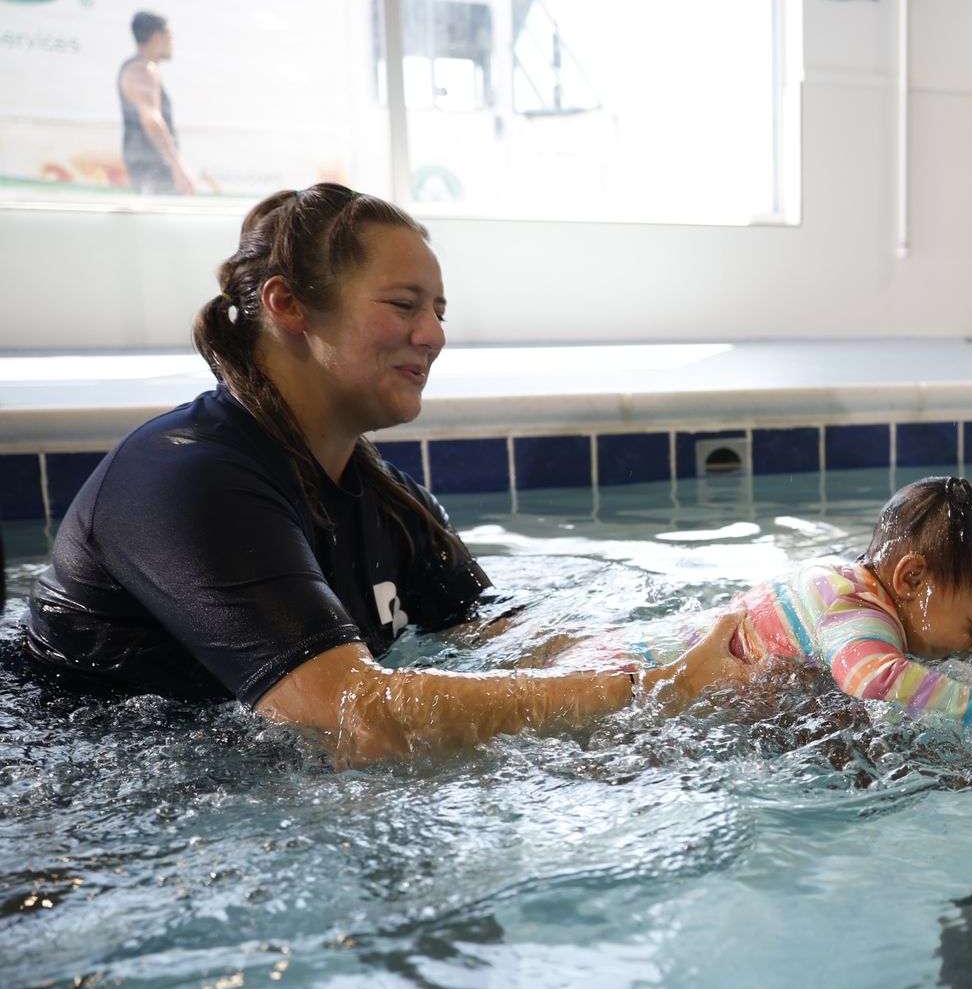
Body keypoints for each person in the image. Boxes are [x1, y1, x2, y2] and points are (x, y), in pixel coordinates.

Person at [21, 183, 748, 765]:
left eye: (436, 309)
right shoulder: (187, 480)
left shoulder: (391, 501)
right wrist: (648, 691)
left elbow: (493, 634)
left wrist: (705, 644)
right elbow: (356, 719)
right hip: (67, 797)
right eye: (403, 305)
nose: (432, 335)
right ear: (287, 304)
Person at [557, 477, 972, 741]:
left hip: (630, 653)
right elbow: (871, 678)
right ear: (911, 578)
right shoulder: (859, 611)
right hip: (635, 678)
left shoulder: (842, 582)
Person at [119, 11, 196, 196]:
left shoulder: (139, 68)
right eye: (171, 37)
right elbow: (151, 118)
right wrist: (177, 164)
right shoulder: (143, 70)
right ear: (156, 37)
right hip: (153, 166)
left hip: (148, 164)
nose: (173, 43)